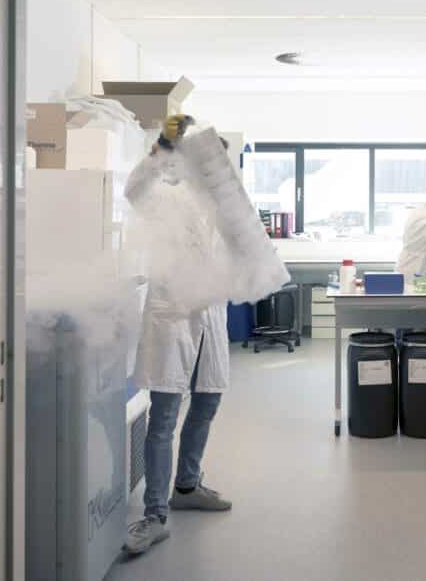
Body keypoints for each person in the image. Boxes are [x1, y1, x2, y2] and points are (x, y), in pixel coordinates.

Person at [122, 115, 233, 557]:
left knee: (207, 400)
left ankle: (186, 485)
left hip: (211, 318)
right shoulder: (165, 197)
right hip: (173, 318)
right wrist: (162, 145)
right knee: (165, 414)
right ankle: (154, 514)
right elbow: (133, 189)